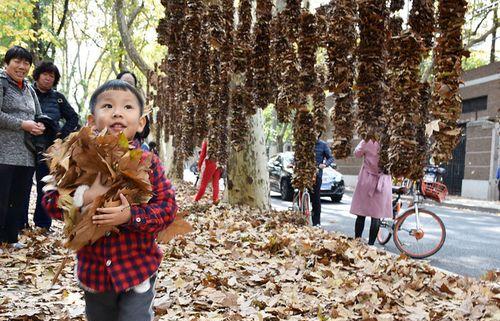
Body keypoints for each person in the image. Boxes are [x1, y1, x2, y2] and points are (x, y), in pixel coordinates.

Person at [42, 80, 177, 321]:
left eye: (127, 107)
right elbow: (50, 204)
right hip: (94, 272)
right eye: (107, 106)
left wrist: (130, 216)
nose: (117, 112)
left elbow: (167, 209)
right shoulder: (77, 159)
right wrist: (83, 197)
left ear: (141, 122)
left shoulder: (148, 162)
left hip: (136, 268)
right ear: (91, 120)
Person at [0, 46, 45, 250]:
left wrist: (40, 125)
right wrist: (22, 124)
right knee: (2, 197)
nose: (22, 66)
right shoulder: (2, 83)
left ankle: (11, 238)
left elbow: (38, 114)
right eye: (17, 61)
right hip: (3, 152)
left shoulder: (28, 88)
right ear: (6, 63)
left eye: (26, 63)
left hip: (26, 153)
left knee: (18, 198)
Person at [31, 61, 79, 232]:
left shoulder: (58, 98)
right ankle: (18, 224)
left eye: (52, 76)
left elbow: (73, 117)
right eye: (45, 74)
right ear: (37, 75)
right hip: (27, 146)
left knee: (46, 187)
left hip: (49, 150)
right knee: (19, 187)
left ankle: (43, 225)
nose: (48, 78)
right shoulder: (27, 92)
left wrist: (61, 135)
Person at [349, 139, 392, 245]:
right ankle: (371, 245)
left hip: (366, 180)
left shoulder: (368, 141)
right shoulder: (390, 141)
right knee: (376, 216)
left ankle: (357, 242)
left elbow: (357, 154)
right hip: (382, 182)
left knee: (361, 213)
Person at [116, 71, 150, 146]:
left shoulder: (139, 106)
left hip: (133, 147)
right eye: (124, 82)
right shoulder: (107, 102)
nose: (127, 86)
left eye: (130, 83)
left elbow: (145, 131)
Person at [311, 133, 334, 227]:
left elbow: (331, 158)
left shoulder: (323, 145)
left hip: (316, 175)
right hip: (304, 173)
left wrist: (325, 164)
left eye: (316, 131)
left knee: (316, 198)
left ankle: (316, 223)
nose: (314, 133)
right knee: (300, 192)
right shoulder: (305, 142)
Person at [194, 139, 222, 205]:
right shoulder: (221, 138)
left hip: (210, 162)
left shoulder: (207, 141)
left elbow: (202, 154)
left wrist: (199, 165)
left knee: (204, 183)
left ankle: (196, 199)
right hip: (218, 163)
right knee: (215, 183)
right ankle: (215, 199)